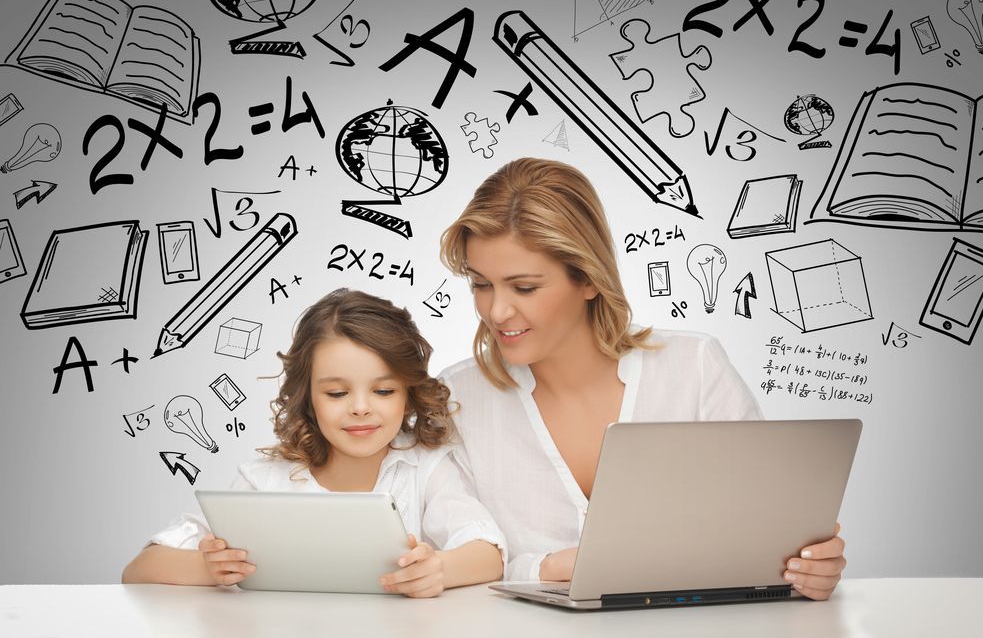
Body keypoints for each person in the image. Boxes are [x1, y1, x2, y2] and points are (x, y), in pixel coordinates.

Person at [438, 157, 846, 600]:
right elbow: (456, 559)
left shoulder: (695, 367)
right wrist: (550, 567)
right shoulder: (458, 399)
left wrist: (807, 568)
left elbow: (767, 532)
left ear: (589, 279)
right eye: (481, 284)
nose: (496, 311)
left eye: (525, 288)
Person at [122, 289, 505, 597]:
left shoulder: (427, 470)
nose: (360, 408)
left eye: (383, 390)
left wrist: (439, 571)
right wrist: (207, 569)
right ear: (308, 397)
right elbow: (138, 570)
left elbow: (489, 554)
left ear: (408, 393)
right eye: (337, 393)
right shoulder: (265, 482)